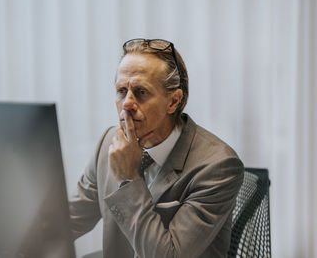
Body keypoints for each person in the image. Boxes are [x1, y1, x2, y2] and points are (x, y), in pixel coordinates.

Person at [69, 38, 244, 258]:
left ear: (173, 101)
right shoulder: (109, 144)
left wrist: (129, 179)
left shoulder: (218, 166)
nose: (127, 104)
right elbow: (68, 223)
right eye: (122, 91)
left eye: (141, 92)